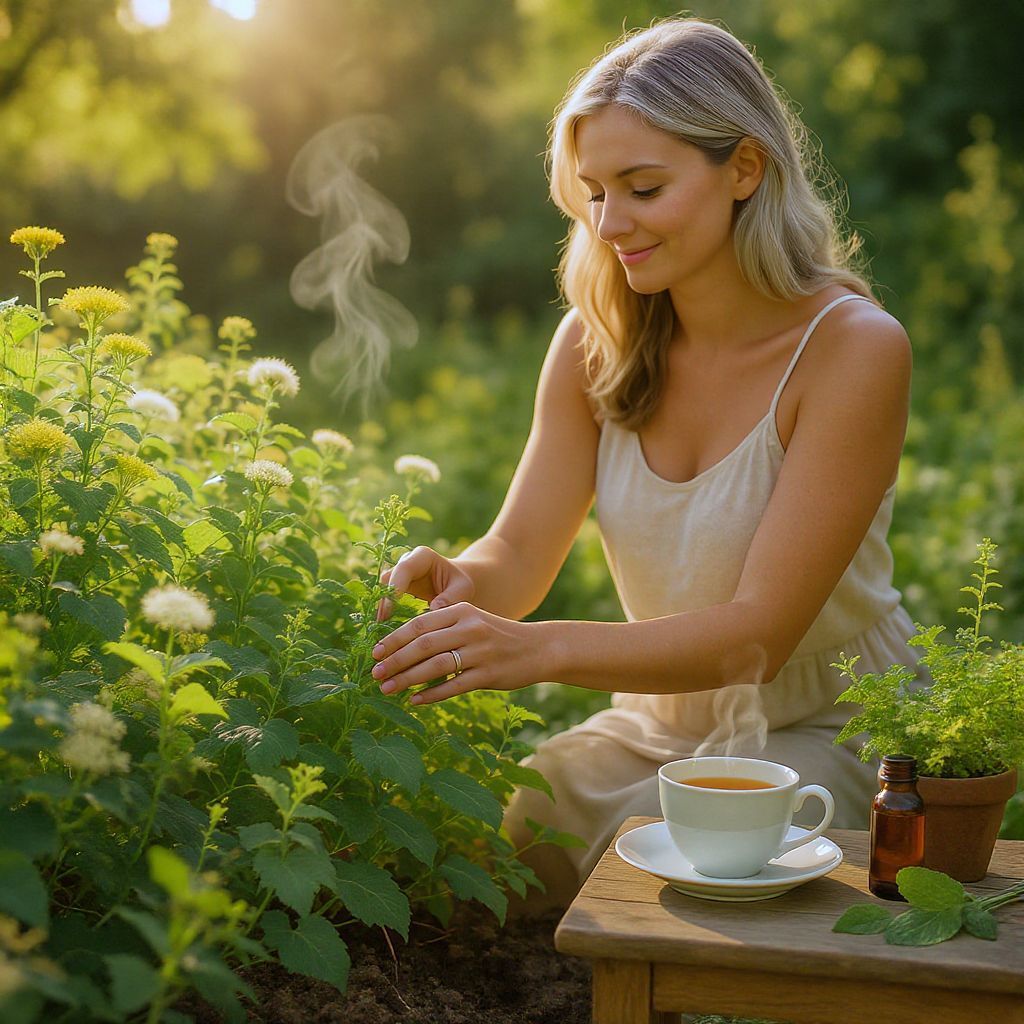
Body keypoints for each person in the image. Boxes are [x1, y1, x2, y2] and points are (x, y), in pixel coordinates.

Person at [369, 17, 925, 914]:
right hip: (656, 727)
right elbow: (519, 551)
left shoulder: (853, 349)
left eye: (643, 187)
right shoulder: (596, 342)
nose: (609, 223)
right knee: (517, 822)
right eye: (592, 192)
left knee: (681, 870)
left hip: (824, 729)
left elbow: (757, 637)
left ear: (744, 169)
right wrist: (460, 586)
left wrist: (538, 649)